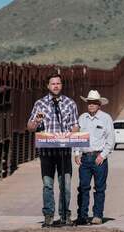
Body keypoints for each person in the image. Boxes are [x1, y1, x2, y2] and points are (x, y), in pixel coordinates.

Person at [27, 73, 79, 226]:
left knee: (66, 186)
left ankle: (65, 215)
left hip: (64, 152)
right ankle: (49, 215)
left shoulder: (70, 103)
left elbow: (75, 125)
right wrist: (36, 121)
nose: (56, 86)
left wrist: (72, 133)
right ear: (48, 86)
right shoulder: (40, 104)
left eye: (58, 83)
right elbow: (29, 127)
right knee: (48, 185)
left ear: (61, 85)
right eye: (53, 83)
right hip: (47, 152)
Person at [75, 90, 115, 225]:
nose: (91, 105)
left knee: (99, 188)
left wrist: (103, 155)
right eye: (89, 103)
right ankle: (82, 215)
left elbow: (111, 140)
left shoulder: (106, 118)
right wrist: (76, 153)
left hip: (99, 158)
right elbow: (77, 137)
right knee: (83, 187)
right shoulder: (82, 118)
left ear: (99, 104)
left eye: (93, 103)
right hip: (85, 158)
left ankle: (97, 215)